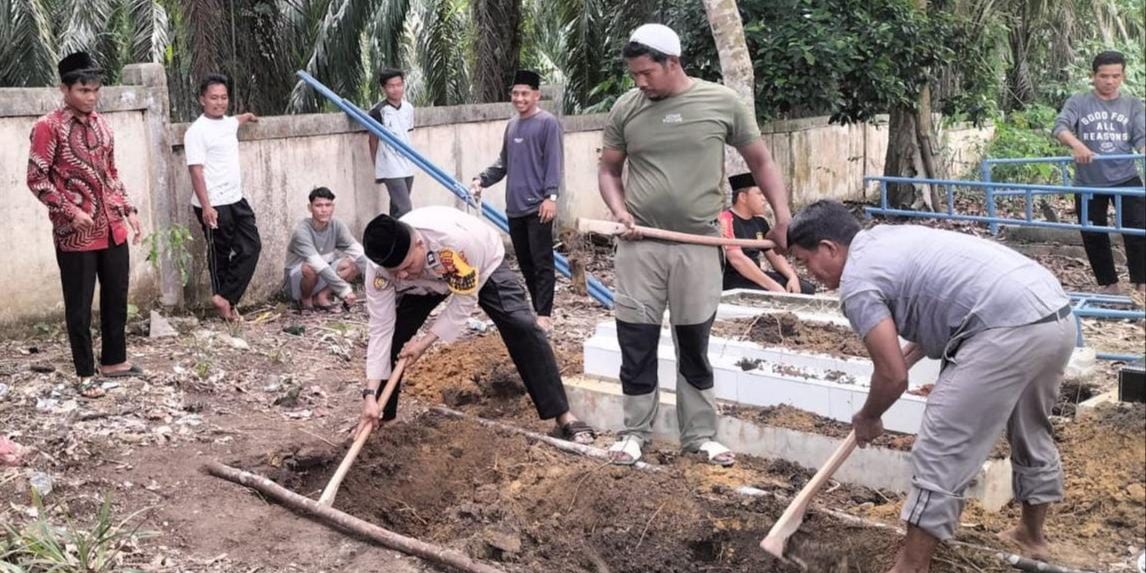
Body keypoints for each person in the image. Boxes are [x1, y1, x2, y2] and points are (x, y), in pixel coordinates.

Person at [788, 200, 1076, 572]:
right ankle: (1031, 536)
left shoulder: (858, 283)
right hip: (1054, 315)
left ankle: (912, 565)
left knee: (942, 443)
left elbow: (892, 376)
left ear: (829, 248)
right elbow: (943, 300)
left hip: (1003, 328)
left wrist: (869, 416)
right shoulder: (888, 238)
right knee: (1030, 429)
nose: (809, 273)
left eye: (805, 260)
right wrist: (908, 353)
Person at [598, 24, 792, 467]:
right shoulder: (626, 108)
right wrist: (619, 209)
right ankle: (634, 432)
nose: (640, 83)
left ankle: (700, 435)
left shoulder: (721, 102)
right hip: (641, 242)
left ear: (673, 62)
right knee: (637, 339)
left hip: (699, 243)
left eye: (647, 73)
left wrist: (783, 217)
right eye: (634, 75)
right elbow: (609, 170)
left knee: (694, 340)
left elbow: (760, 160)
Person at [353, 207, 595, 444]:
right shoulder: (381, 271)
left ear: (419, 243)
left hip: (481, 268)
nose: (402, 276)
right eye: (396, 272)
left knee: (521, 325)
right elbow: (381, 327)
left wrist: (424, 343)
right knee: (394, 336)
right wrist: (370, 393)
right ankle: (381, 416)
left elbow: (463, 302)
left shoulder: (455, 244)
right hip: (423, 285)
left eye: (406, 267)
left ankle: (562, 414)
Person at [27, 52, 145, 399]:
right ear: (64, 88)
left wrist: (129, 209)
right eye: (82, 90)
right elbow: (36, 178)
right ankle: (84, 371)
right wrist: (68, 210)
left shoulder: (102, 124)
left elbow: (111, 174)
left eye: (95, 90)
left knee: (116, 295)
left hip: (112, 225)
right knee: (79, 304)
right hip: (76, 232)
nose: (90, 97)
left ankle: (114, 360)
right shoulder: (48, 127)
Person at [469, 70, 563, 332]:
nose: (519, 98)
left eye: (525, 93)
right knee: (525, 262)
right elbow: (504, 163)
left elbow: (554, 162)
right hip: (515, 207)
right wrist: (482, 179)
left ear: (536, 95)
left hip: (539, 206)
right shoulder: (512, 126)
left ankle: (544, 314)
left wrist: (551, 197)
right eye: (515, 93)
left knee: (542, 261)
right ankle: (537, 308)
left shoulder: (548, 123)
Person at [1052, 50, 1146, 296]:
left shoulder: (1132, 104)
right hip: (1088, 180)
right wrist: (1077, 145)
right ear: (1093, 76)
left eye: (1116, 76)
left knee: (1137, 228)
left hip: (1126, 176)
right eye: (1104, 76)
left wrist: (1143, 149)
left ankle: (1141, 283)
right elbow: (1060, 126)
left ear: (1123, 76)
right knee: (1093, 232)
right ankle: (1109, 284)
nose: (1110, 81)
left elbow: (1140, 136)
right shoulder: (1079, 102)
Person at [185, 73, 261, 321]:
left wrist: (247, 117)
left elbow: (234, 121)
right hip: (213, 202)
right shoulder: (196, 131)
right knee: (220, 252)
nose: (219, 102)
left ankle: (225, 297)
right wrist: (207, 207)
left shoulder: (228, 123)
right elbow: (195, 171)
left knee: (251, 247)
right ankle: (226, 302)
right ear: (202, 99)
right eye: (213, 98)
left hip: (235, 198)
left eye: (223, 98)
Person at [720, 172, 814, 294]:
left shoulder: (760, 222)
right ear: (743, 197)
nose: (764, 199)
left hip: (757, 277)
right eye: (759, 194)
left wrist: (792, 276)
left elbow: (774, 255)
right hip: (734, 280)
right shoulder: (725, 219)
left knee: (805, 289)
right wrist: (771, 285)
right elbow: (737, 259)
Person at [283, 187, 366, 311]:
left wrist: (383, 277)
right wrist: (344, 290)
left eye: (328, 205)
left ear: (333, 207)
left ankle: (321, 297)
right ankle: (305, 301)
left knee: (353, 262)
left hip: (322, 274)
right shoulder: (302, 231)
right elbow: (317, 264)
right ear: (310, 208)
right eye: (318, 205)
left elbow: (359, 253)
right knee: (310, 267)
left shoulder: (337, 225)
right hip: (296, 283)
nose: (324, 210)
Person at [368, 68, 417, 218]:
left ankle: (393, 239)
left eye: (399, 85)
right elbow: (372, 140)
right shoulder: (378, 111)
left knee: (397, 209)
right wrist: (378, 166)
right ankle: (408, 239)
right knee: (405, 208)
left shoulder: (408, 108)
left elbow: (407, 133)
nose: (396, 89)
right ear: (384, 88)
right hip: (390, 165)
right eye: (391, 86)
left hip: (407, 163)